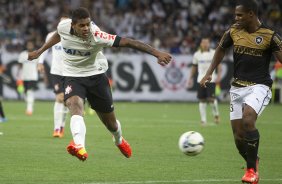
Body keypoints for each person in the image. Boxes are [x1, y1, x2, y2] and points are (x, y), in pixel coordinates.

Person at [28, 7, 171, 161]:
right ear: (72, 25)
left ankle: (119, 140)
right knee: (74, 105)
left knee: (111, 124)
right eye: (81, 25)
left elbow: (129, 42)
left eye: (87, 24)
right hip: (72, 75)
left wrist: (157, 53)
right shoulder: (63, 27)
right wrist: (40, 51)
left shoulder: (97, 35)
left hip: (96, 76)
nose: (86, 28)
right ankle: (79, 146)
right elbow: (58, 35)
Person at [199, 0, 282, 183]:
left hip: (259, 86)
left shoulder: (270, 36)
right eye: (235, 15)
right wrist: (208, 73)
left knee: (248, 119)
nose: (236, 18)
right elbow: (220, 49)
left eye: (239, 15)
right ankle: (253, 161)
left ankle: (251, 171)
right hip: (237, 88)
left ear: (251, 14)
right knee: (238, 138)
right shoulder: (233, 32)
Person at [38, 17, 69, 138]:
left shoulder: (72, 36)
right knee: (59, 98)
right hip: (56, 71)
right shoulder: (52, 35)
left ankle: (62, 126)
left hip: (69, 72)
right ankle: (56, 128)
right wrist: (40, 62)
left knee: (67, 102)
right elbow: (45, 49)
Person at [187, 37, 221, 125]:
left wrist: (219, 76)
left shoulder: (214, 53)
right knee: (202, 100)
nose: (205, 44)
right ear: (201, 44)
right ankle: (203, 120)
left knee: (211, 99)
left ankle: (216, 114)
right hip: (200, 80)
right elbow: (194, 67)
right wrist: (190, 78)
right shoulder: (197, 54)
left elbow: (219, 65)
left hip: (211, 79)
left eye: (206, 42)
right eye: (203, 43)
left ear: (209, 44)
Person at [18, 40, 39, 116]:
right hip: (24, 76)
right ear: (26, 45)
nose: (29, 46)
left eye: (31, 44)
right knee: (25, 93)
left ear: (33, 45)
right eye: (28, 44)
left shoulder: (36, 54)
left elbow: (38, 65)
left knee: (30, 92)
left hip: (33, 76)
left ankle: (29, 109)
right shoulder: (22, 54)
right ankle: (29, 105)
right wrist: (18, 75)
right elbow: (20, 66)